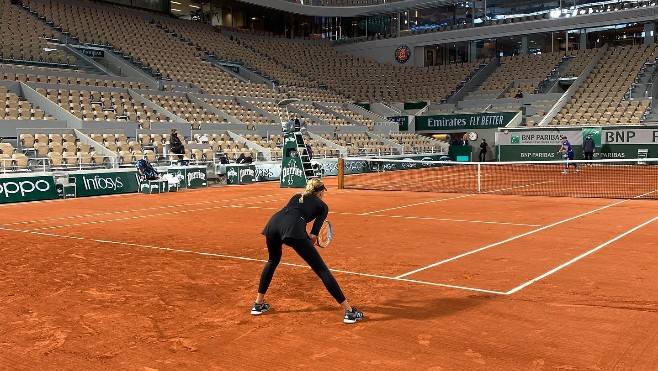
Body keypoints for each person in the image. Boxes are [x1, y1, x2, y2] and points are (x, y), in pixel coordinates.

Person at [252, 178, 364, 324]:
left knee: (272, 261)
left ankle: (258, 304)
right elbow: (312, 236)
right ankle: (349, 312)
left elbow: (293, 215)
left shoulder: (297, 196)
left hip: (273, 225)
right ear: (320, 192)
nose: (324, 194)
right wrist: (310, 240)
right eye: (323, 191)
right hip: (293, 229)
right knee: (321, 269)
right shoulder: (323, 206)